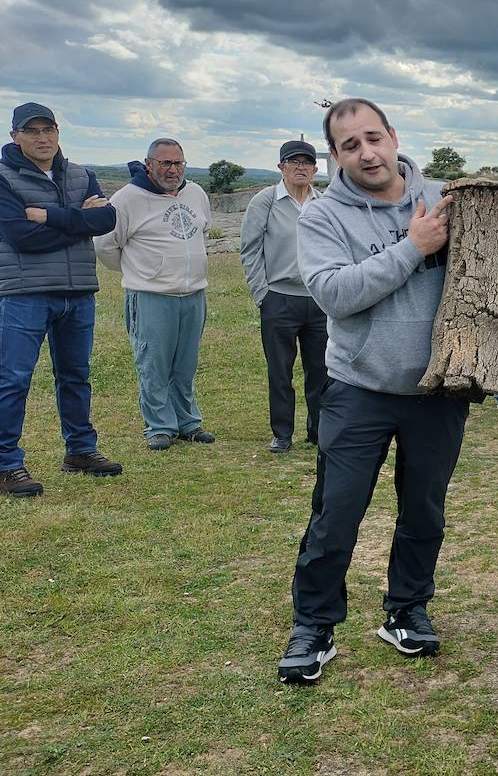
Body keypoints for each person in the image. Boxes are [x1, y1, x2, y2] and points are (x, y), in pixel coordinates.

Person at [277, 97, 498, 684]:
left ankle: (407, 610)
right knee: (336, 514)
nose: (366, 153)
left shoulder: (449, 200)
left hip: (441, 387)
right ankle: (314, 625)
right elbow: (335, 293)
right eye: (350, 145)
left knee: (424, 512)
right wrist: (414, 248)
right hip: (359, 386)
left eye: (373, 138)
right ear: (334, 156)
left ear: (392, 136)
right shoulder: (323, 217)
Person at [0, 102, 122, 497]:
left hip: (78, 292)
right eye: (31, 131)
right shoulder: (2, 178)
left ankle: (81, 450)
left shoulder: (80, 174)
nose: (42, 138)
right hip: (25, 294)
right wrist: (77, 220)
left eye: (47, 129)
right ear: (15, 136)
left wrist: (50, 216)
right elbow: (22, 237)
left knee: (75, 375)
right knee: (14, 380)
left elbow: (106, 220)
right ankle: (6, 465)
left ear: (57, 132)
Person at [95, 138, 214, 451]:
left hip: (192, 294)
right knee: (154, 364)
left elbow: (202, 232)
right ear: (149, 164)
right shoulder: (127, 199)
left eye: (178, 163)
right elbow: (106, 245)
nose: (172, 169)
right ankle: (159, 427)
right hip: (151, 295)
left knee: (185, 365)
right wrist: (139, 271)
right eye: (165, 163)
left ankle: (188, 422)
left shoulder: (196, 193)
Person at [239, 140, 328, 453]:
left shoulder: (323, 202)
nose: (300, 167)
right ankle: (282, 433)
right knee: (280, 370)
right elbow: (250, 250)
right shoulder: (265, 201)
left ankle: (319, 432)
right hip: (279, 297)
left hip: (318, 299)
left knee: (322, 370)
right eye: (294, 162)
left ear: (316, 168)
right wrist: (262, 294)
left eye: (307, 162)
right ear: (281, 167)